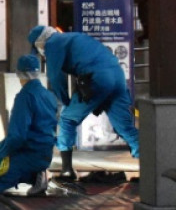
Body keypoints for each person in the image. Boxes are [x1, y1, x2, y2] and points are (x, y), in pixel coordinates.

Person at [28, 25, 139, 180]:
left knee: (67, 119)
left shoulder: (52, 44)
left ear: (39, 43)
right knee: (125, 127)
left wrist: (65, 101)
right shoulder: (73, 37)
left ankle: (67, 170)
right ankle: (148, 170)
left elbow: (55, 77)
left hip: (97, 78)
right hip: (118, 76)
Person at [0, 55, 57, 195]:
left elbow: (17, 137)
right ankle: (38, 174)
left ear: (20, 74)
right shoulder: (48, 95)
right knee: (3, 169)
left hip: (27, 156)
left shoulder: (25, 97)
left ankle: (34, 175)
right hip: (45, 155)